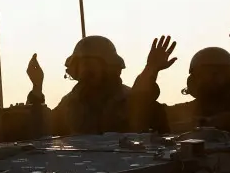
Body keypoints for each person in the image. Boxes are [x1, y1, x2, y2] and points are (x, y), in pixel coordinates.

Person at [24, 35, 177, 136]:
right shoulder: (69, 105)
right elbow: (43, 134)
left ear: (109, 66)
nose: (84, 72)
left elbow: (141, 104)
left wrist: (150, 69)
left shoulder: (130, 101)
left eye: (89, 66)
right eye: (80, 66)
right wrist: (37, 88)